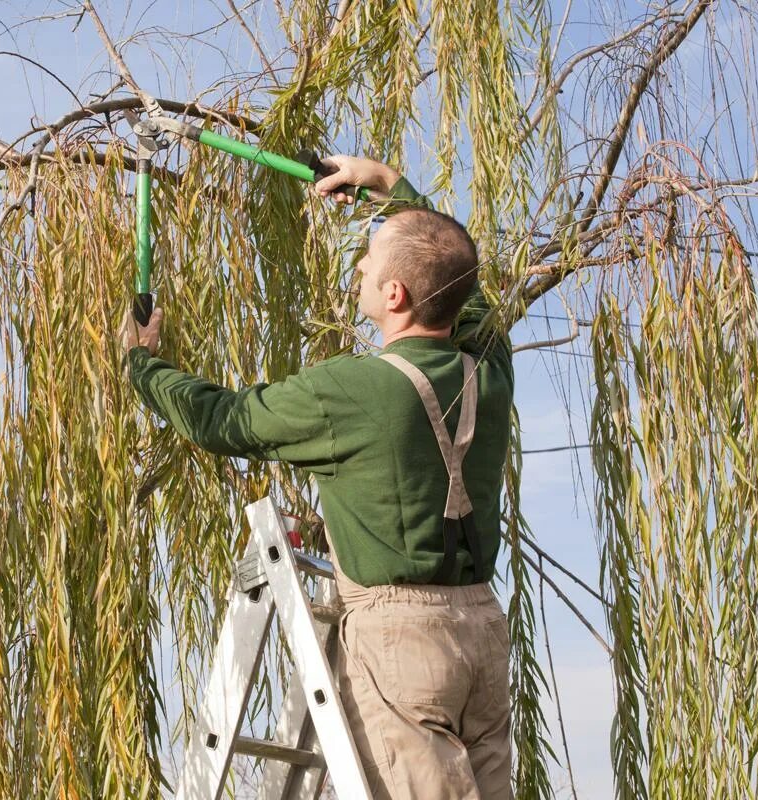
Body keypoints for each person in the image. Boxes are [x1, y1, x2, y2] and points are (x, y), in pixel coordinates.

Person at [121, 156, 513, 800]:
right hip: (482, 632)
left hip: (400, 638)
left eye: (370, 256)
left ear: (395, 296)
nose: (360, 263)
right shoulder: (488, 371)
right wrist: (388, 187)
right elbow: (459, 282)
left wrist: (143, 365)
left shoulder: (356, 391)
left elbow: (224, 420)